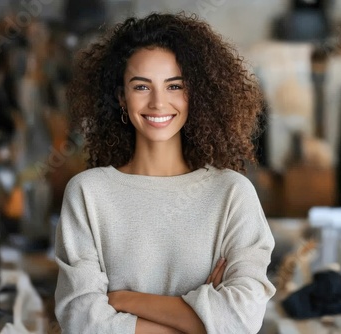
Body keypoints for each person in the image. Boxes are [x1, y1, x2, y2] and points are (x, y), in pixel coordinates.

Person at [54, 12, 276, 334]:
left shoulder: (232, 193)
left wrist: (122, 299)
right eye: (141, 86)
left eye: (174, 86)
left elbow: (242, 319)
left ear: (194, 95)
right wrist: (201, 322)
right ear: (121, 97)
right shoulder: (88, 193)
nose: (159, 103)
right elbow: (81, 320)